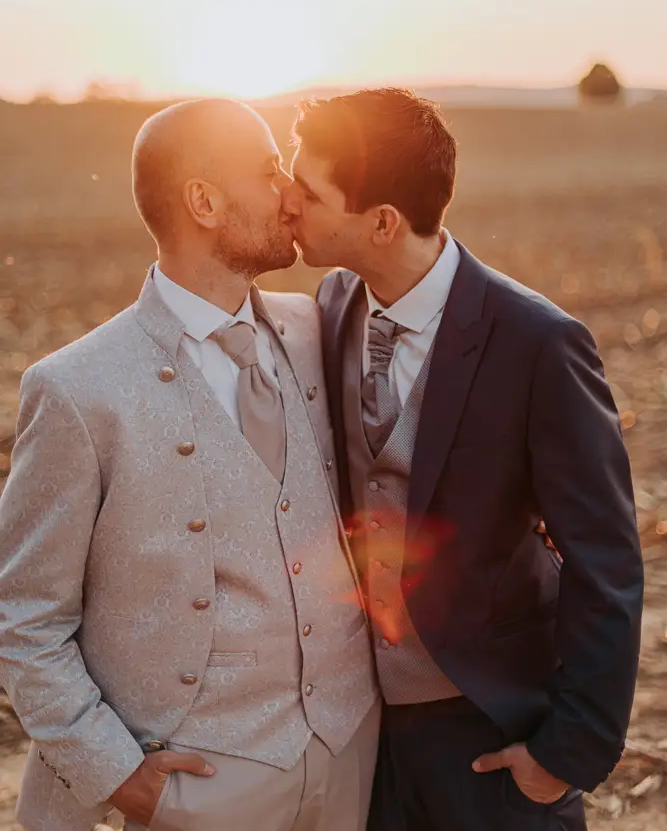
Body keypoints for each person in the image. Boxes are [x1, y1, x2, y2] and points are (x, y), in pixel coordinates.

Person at [0, 99, 379, 831]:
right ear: (203, 201)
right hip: (186, 787)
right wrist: (119, 777)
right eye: (269, 172)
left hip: (346, 766)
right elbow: (24, 617)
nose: (289, 192)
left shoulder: (320, 333)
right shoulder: (78, 388)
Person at [281, 87, 644, 831]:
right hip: (364, 736)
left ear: (382, 221)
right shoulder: (332, 303)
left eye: (309, 190)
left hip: (491, 733)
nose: (288, 201)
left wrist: (563, 757)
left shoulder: (537, 343)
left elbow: (605, 561)